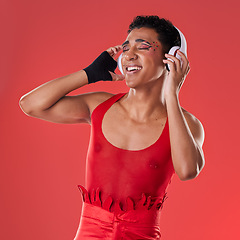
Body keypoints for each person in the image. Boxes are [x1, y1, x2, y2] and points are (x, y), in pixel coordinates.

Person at [19, 15, 205, 240]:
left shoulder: (186, 124)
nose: (129, 55)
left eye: (143, 46)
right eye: (126, 48)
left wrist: (172, 94)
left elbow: (187, 171)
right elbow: (30, 105)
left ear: (171, 58)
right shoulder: (99, 106)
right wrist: (88, 74)